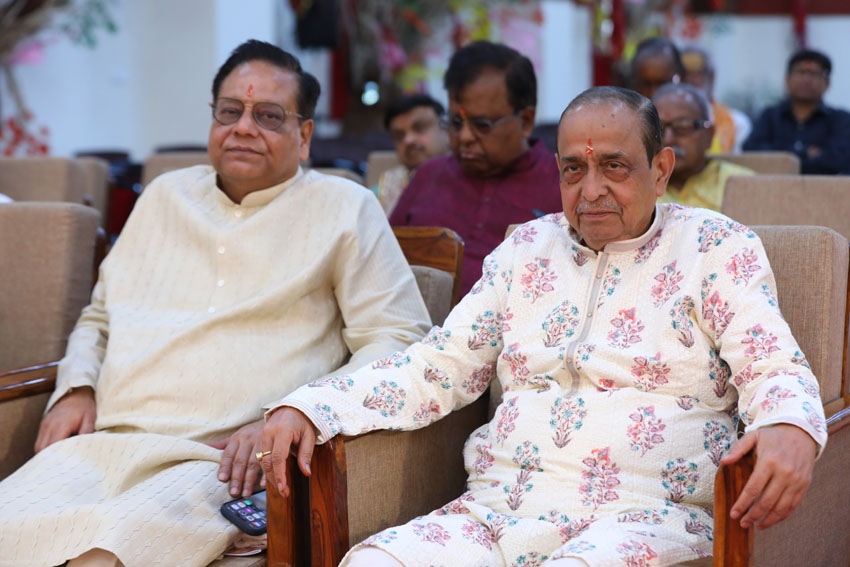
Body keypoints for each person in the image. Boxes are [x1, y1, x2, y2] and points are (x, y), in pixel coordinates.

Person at [260, 86, 825, 567]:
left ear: (661, 169)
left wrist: (789, 424)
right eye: (574, 169)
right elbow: (437, 366)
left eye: (615, 166)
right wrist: (314, 405)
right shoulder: (525, 250)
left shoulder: (715, 247)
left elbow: (771, 362)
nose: (591, 189)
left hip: (646, 518)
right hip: (497, 513)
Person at [0, 40, 431, 567]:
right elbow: (99, 316)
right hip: (101, 444)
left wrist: (302, 408)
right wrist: (76, 388)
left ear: (304, 136)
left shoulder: (345, 208)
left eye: (268, 115)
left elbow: (398, 338)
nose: (243, 127)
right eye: (230, 111)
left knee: (102, 555)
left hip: (221, 462)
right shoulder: (164, 196)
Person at [389, 40, 562, 297]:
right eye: (456, 122)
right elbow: (382, 263)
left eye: (482, 125)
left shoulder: (562, 184)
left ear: (525, 121)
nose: (465, 137)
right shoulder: (429, 175)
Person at [744, 49, 850, 174]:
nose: (806, 79)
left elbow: (839, 160)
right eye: (800, 72)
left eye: (814, 74)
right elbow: (751, 152)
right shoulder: (770, 116)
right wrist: (804, 152)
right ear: (787, 79)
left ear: (827, 83)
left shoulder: (840, 120)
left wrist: (783, 158)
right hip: (773, 185)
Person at [653, 83, 754, 212]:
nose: (668, 139)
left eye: (683, 127)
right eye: (658, 129)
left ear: (709, 135)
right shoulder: (638, 184)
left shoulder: (745, 185)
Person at [373, 93, 449, 215]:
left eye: (420, 128)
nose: (408, 140)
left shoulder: (471, 177)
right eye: (399, 136)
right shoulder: (382, 193)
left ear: (446, 129)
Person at [680, 45, 751, 154]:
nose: (688, 80)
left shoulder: (738, 123)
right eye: (683, 74)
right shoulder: (664, 121)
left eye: (695, 73)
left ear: (711, 77)